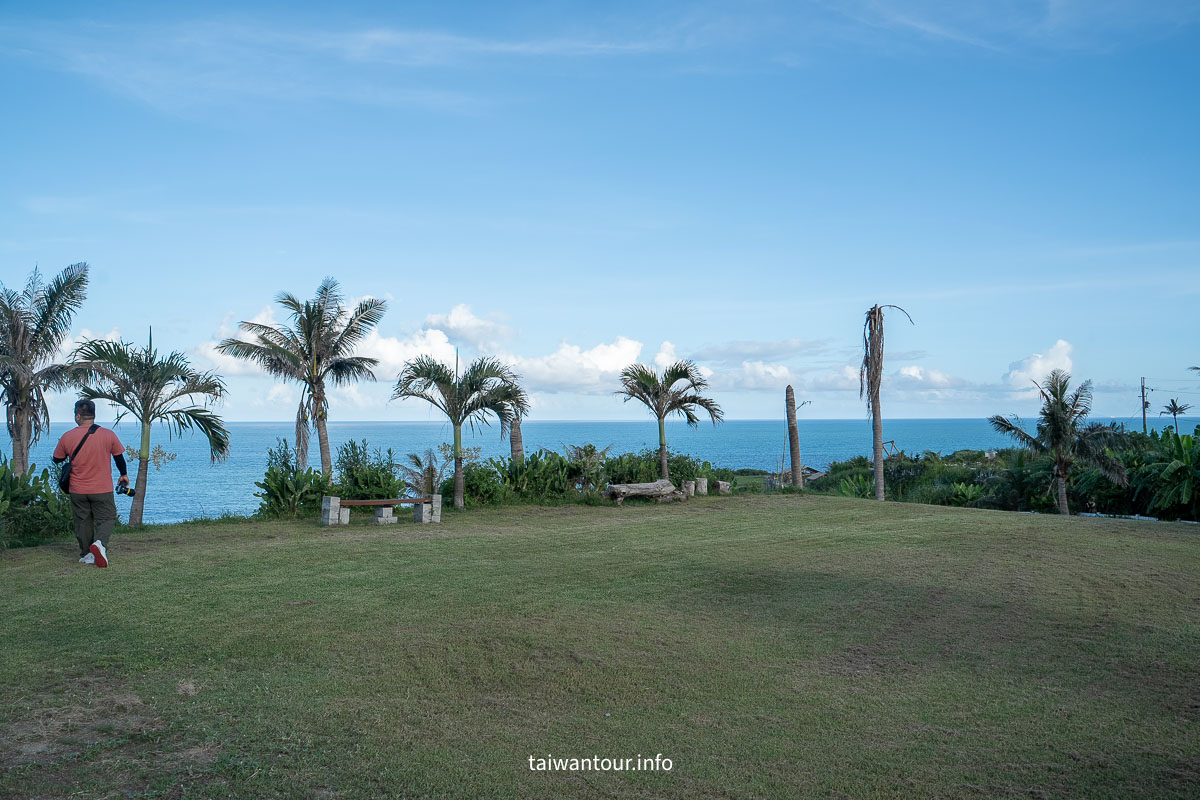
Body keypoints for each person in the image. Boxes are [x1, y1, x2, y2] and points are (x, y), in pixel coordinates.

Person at [52, 399, 129, 568]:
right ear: (93, 415)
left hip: (78, 489)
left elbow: (57, 459)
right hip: (102, 488)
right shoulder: (108, 435)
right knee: (107, 518)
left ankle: (87, 554)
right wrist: (123, 475)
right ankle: (100, 544)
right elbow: (119, 458)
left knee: (82, 522)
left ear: (78, 415)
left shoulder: (68, 436)